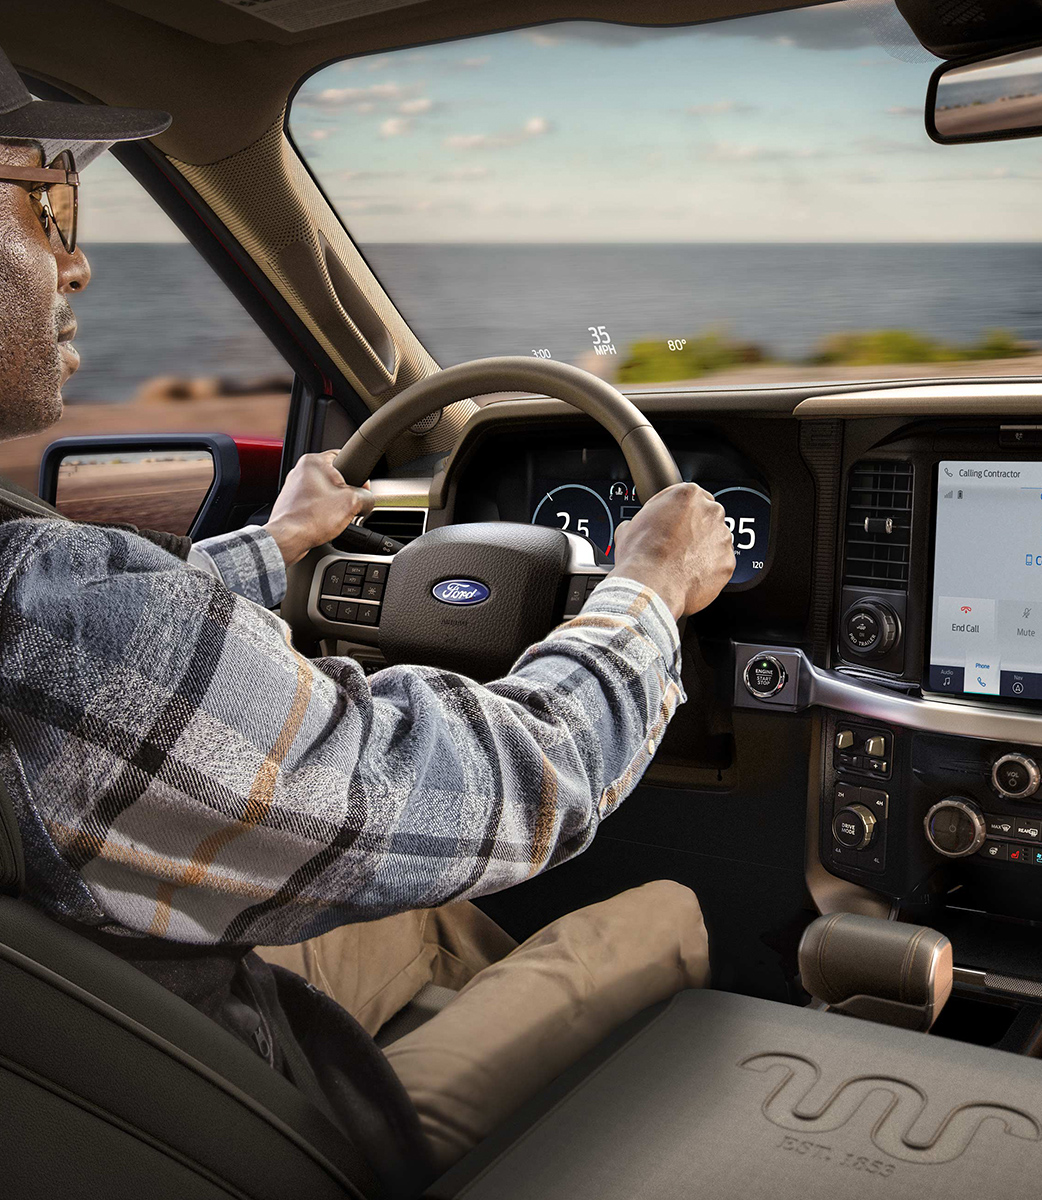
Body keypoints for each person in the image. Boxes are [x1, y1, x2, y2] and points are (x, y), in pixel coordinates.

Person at [0, 50, 736, 1180]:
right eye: (47, 198)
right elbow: (523, 779)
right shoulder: (43, 619)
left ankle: (466, 1018)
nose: (79, 259)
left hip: (86, 1080)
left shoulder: (59, 615)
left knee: (409, 908)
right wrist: (647, 592)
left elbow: (122, 671)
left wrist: (282, 545)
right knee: (672, 911)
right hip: (249, 1135)